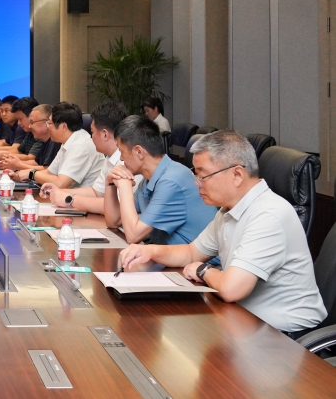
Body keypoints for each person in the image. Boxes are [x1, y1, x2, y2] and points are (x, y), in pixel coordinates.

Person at [119, 131, 326, 335]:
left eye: (203, 175)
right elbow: (191, 253)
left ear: (237, 174)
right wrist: (150, 251)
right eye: (196, 174)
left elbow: (231, 288)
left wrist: (203, 270)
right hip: (243, 321)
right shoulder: (228, 210)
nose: (197, 183)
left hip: (285, 336)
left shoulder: (268, 215)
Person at [104, 115, 217, 245]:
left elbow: (133, 235)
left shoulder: (171, 180)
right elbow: (113, 222)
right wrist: (110, 184)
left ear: (139, 152)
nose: (121, 159)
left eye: (121, 151)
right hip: (169, 254)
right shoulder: (148, 180)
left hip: (198, 258)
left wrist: (125, 187)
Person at [41, 101, 136, 214]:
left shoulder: (127, 161)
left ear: (105, 134)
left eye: (92, 132)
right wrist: (59, 192)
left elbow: (117, 207)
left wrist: (69, 199)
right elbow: (96, 192)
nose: (91, 137)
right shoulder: (110, 158)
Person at [13, 102, 102, 190]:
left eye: (49, 123)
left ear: (63, 126)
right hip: (66, 195)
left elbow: (60, 183)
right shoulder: (67, 141)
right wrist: (22, 174)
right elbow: (50, 173)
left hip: (81, 197)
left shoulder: (80, 146)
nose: (47, 127)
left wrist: (32, 174)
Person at [4, 104, 60, 172]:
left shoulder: (55, 141)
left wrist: (19, 165)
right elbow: (36, 163)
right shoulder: (44, 141)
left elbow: (48, 170)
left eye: (32, 122)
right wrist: (12, 163)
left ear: (46, 123)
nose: (30, 126)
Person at [0, 97, 40, 162]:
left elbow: (31, 158)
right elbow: (18, 150)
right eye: (2, 111)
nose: (18, 123)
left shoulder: (40, 134)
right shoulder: (29, 132)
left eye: (20, 119)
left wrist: (3, 155)